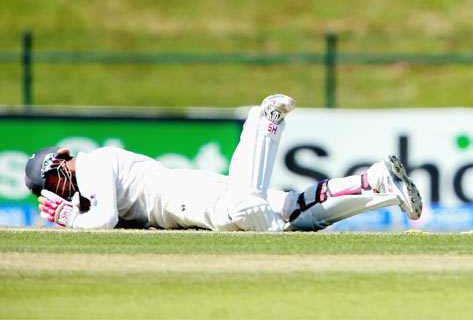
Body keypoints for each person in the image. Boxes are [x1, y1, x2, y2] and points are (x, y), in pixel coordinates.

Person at [24, 95, 422, 232]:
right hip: (182, 191)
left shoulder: (90, 164)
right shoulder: (86, 184)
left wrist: (72, 219)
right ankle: (376, 184)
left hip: (176, 197)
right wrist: (76, 212)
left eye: (50, 184)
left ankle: (263, 122)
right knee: (290, 213)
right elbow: (103, 213)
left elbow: (105, 219)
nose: (54, 193)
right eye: (46, 193)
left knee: (246, 211)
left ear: (58, 161)